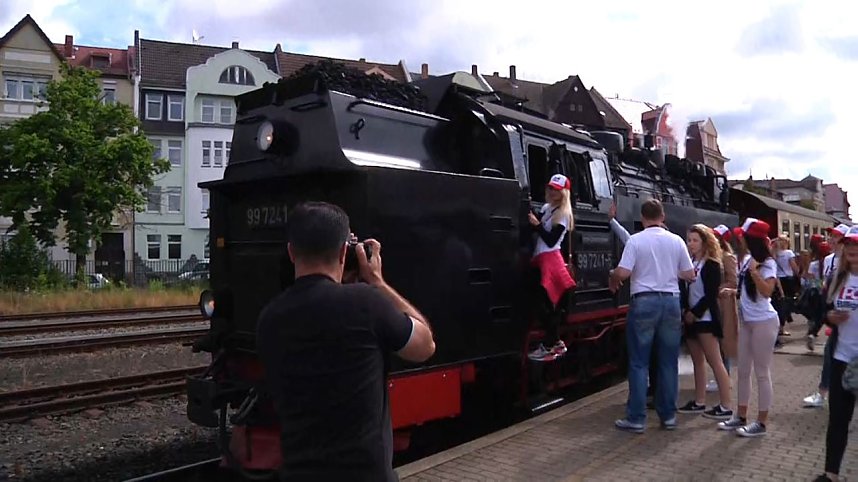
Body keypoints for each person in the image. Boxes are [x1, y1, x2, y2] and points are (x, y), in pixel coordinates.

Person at [255, 202, 435, 482]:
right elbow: (425, 346)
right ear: (343, 252)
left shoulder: (269, 319)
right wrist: (377, 281)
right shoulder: (366, 303)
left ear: (291, 252)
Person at [609, 198, 695, 433]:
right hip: (670, 302)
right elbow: (689, 274)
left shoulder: (636, 241)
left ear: (643, 218)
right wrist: (668, 271)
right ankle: (668, 417)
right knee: (668, 362)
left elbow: (624, 272)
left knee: (639, 363)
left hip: (644, 302)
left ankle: (636, 419)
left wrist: (613, 277)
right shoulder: (676, 241)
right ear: (663, 216)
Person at [717, 218, 779, 437]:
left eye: (742, 235)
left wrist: (754, 272)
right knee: (743, 370)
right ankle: (740, 416)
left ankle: (761, 422)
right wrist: (733, 293)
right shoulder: (746, 260)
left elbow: (767, 292)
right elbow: (747, 291)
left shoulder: (767, 264)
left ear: (751, 239)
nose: (738, 239)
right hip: (748, 322)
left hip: (764, 322)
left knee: (762, 373)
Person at [814, 225, 858, 482]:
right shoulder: (835, 280)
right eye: (848, 244)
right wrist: (830, 317)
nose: (852, 248)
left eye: (856, 245)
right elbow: (825, 312)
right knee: (838, 421)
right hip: (842, 359)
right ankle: (831, 474)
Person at [677, 224, 733, 420]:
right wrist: (685, 310)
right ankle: (699, 401)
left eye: (694, 240)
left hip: (706, 318)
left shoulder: (711, 264)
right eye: (689, 240)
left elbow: (711, 295)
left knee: (715, 361)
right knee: (697, 361)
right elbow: (684, 289)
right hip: (690, 317)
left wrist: (696, 312)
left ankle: (726, 404)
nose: (690, 244)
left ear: (704, 242)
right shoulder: (690, 263)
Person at [527, 173, 577, 362]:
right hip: (541, 258)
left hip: (551, 259)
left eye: (556, 190)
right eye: (550, 188)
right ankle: (553, 342)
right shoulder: (548, 208)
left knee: (546, 303)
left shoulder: (563, 215)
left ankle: (552, 343)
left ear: (563, 193)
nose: (552, 192)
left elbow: (550, 240)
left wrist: (538, 225)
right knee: (542, 302)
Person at [772, 236, 799, 336]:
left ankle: (779, 326)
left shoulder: (774, 253)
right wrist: (798, 276)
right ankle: (782, 327)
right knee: (786, 303)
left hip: (776, 280)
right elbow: (794, 267)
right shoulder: (788, 253)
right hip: (787, 281)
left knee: (778, 303)